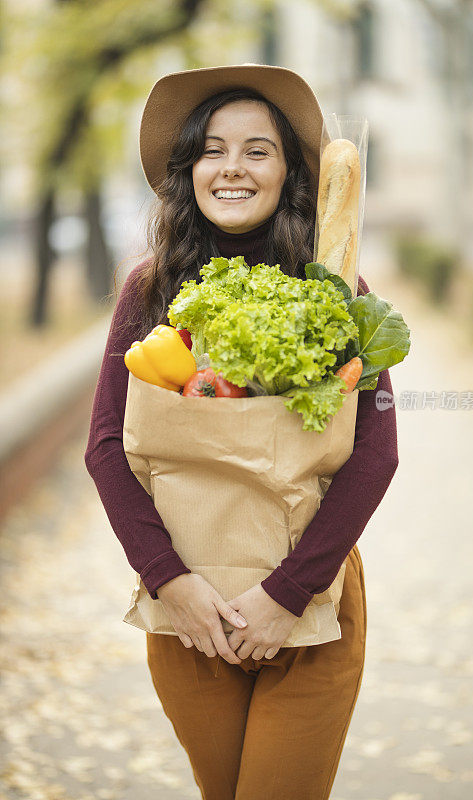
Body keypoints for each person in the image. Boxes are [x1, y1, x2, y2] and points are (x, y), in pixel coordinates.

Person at [84, 63, 399, 800]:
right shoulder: (151, 287)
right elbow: (106, 449)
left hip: (308, 608)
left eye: (258, 150)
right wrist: (172, 584)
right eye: (212, 149)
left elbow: (375, 452)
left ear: (289, 171)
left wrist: (286, 592)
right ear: (187, 169)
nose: (232, 168)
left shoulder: (335, 285)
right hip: (188, 613)